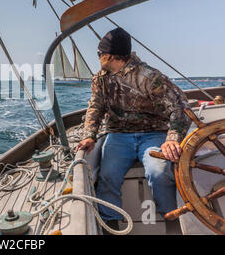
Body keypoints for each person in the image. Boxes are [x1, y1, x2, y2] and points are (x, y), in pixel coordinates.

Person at [76, 27, 191, 234]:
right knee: (108, 175)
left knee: (159, 172)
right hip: (118, 136)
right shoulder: (101, 79)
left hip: (153, 133)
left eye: (99, 54)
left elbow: (180, 106)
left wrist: (172, 138)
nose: (99, 58)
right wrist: (89, 136)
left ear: (108, 56)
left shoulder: (149, 77)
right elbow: (96, 107)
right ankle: (110, 225)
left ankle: (173, 221)